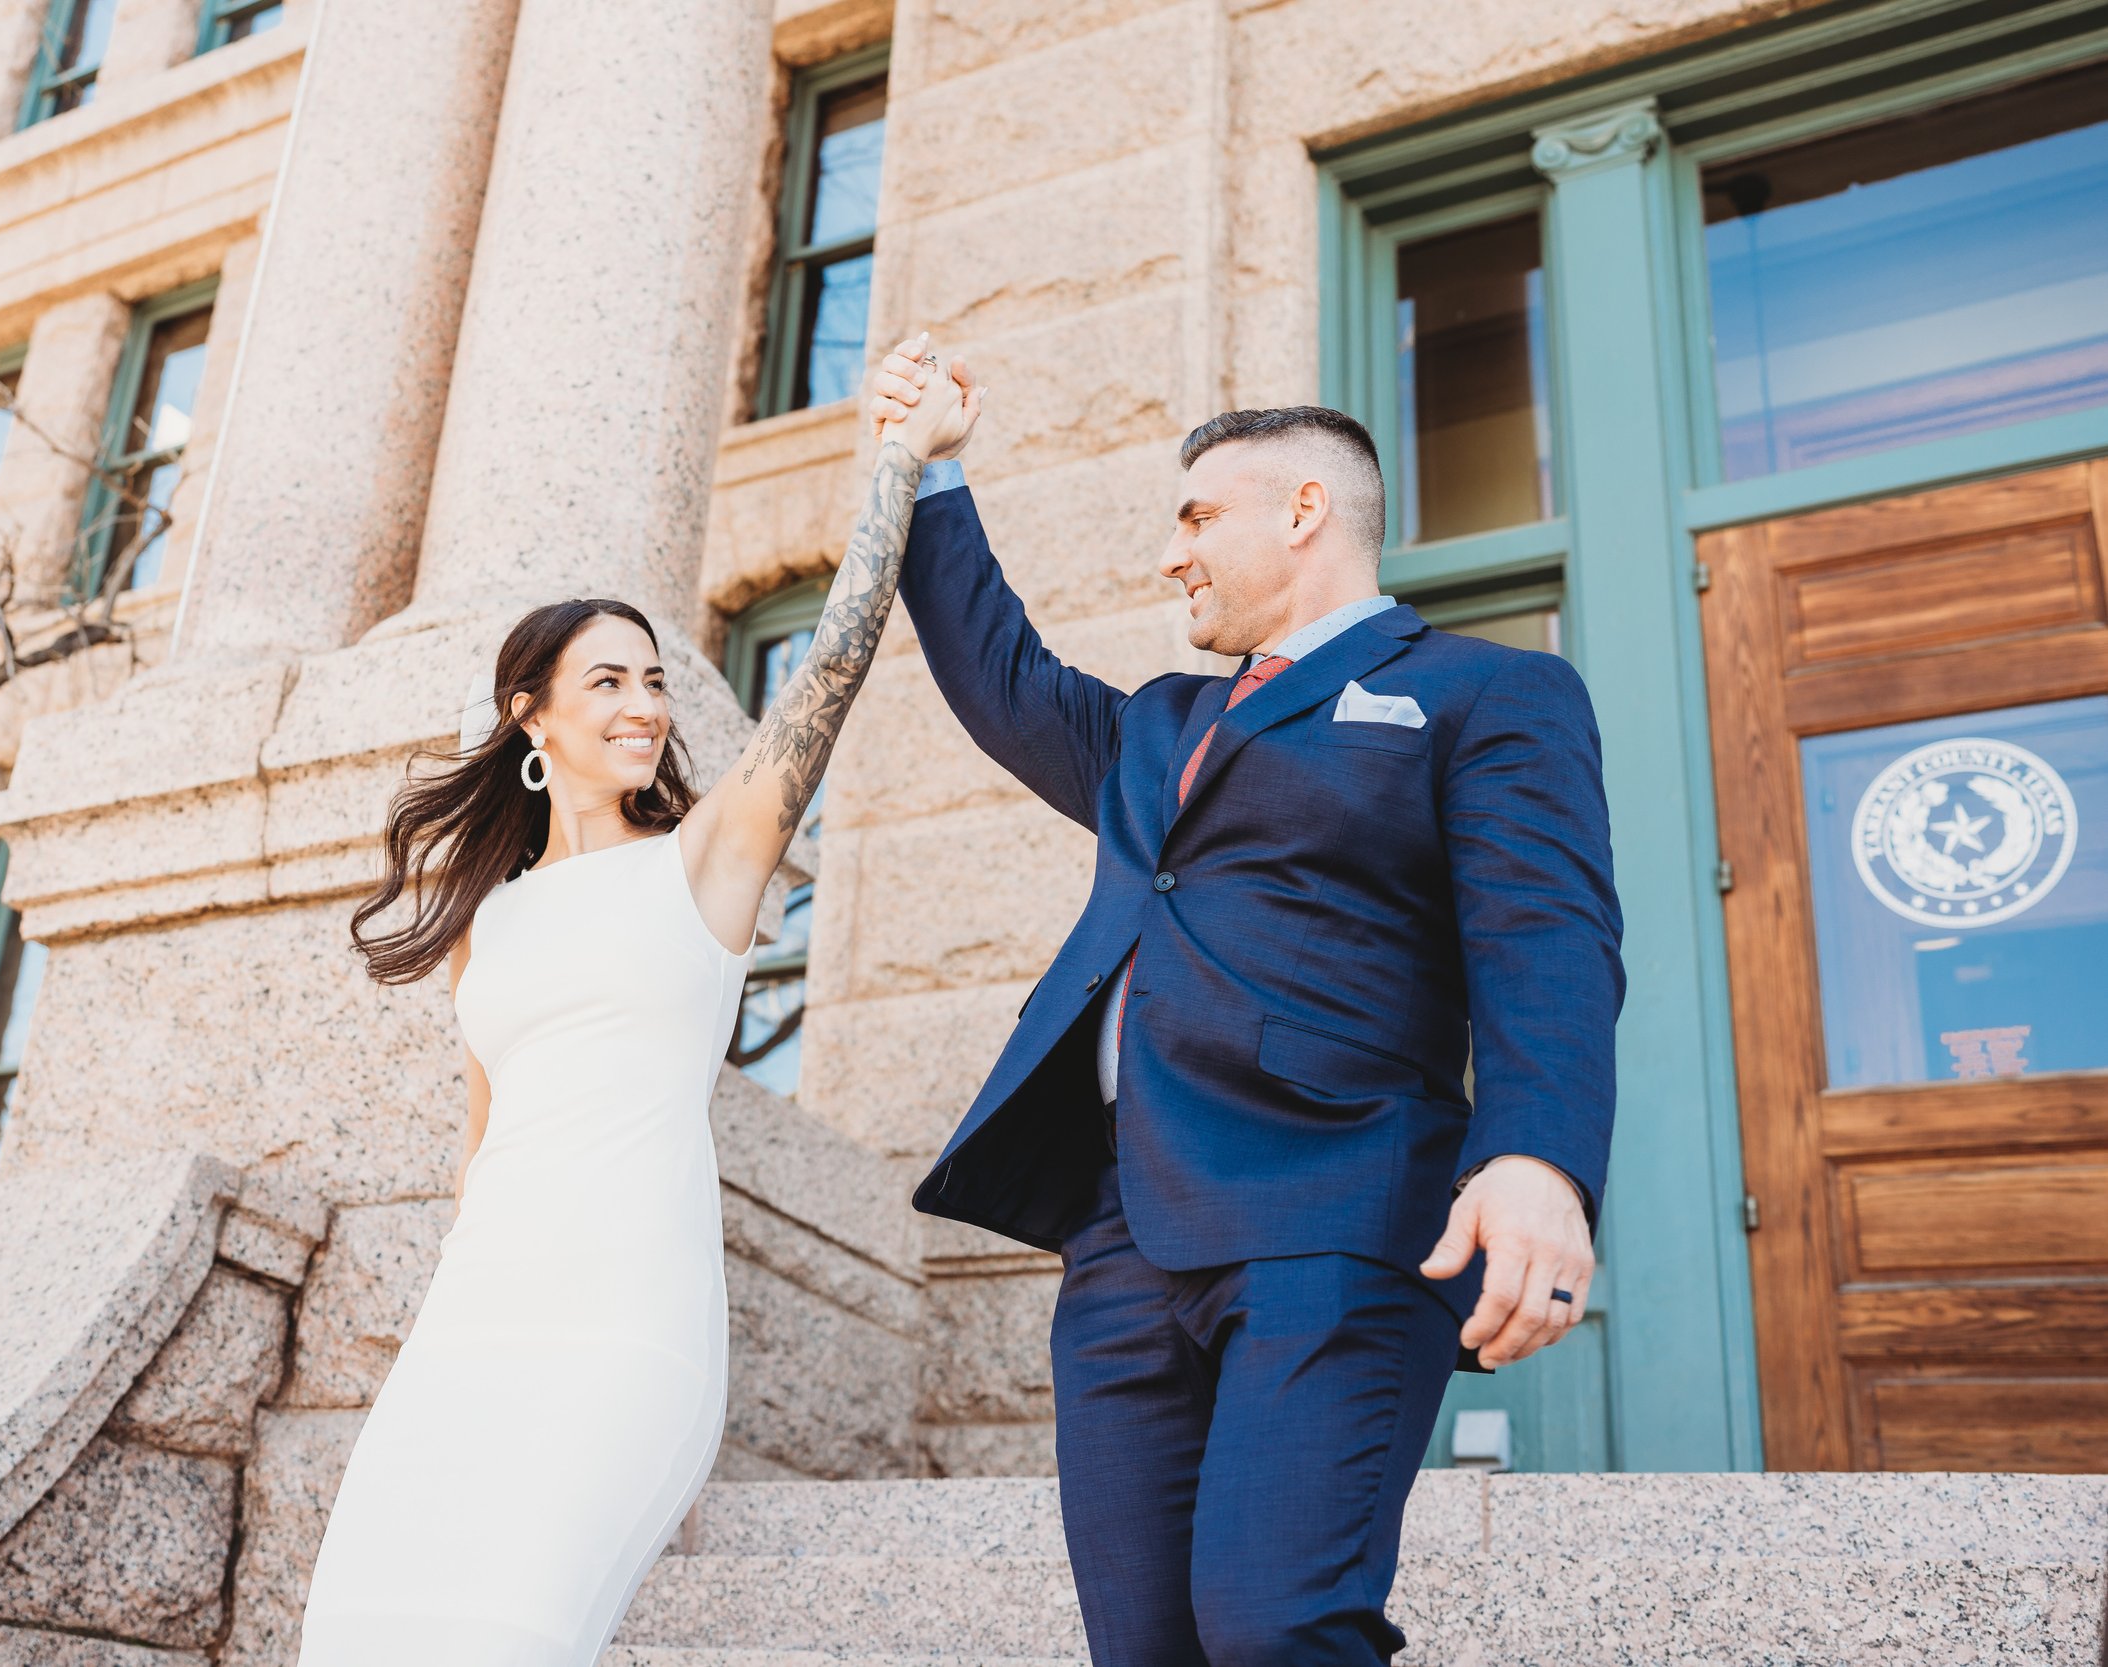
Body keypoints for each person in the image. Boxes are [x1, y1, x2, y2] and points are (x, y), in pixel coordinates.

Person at [869, 339, 1624, 1666]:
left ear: (1304, 511)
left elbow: (1547, 934)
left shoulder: (1484, 694)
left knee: (1277, 1628)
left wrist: (1537, 1162)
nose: (1173, 556)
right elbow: (999, 676)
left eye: (1197, 516)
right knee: (1145, 1648)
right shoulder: (1154, 727)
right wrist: (934, 469)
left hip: (1334, 1208)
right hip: (1123, 1239)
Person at [295, 348, 972, 1664]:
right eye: (607, 679)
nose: (645, 702)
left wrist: (900, 467)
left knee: (515, 1632)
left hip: (624, 1324)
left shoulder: (708, 862)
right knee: (361, 1631)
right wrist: (441, 1325)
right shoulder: (485, 925)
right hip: (476, 1328)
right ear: (529, 714)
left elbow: (832, 665)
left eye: (655, 677)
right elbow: (482, 1152)